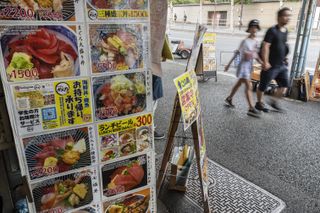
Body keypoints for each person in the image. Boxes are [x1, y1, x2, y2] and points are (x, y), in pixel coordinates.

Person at [255, 7, 291, 112]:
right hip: (271, 65)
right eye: (286, 15)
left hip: (281, 65)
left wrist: (285, 57)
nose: (288, 18)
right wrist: (265, 62)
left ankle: (274, 101)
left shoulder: (285, 31)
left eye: (289, 16)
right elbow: (266, 46)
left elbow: (282, 45)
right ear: (279, 17)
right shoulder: (272, 31)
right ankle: (259, 103)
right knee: (263, 86)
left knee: (285, 85)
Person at [224, 19, 262, 117]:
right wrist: (228, 64)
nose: (254, 29)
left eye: (256, 27)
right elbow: (237, 52)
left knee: (239, 83)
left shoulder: (256, 42)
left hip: (249, 66)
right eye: (252, 27)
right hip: (242, 66)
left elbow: (256, 55)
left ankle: (229, 98)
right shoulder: (245, 41)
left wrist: (262, 63)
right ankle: (251, 108)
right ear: (249, 29)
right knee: (248, 86)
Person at [150, 0, 168, 140]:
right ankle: (150, 130)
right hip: (152, 72)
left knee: (151, 103)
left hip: (153, 71)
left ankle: (150, 129)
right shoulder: (155, 30)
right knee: (151, 104)